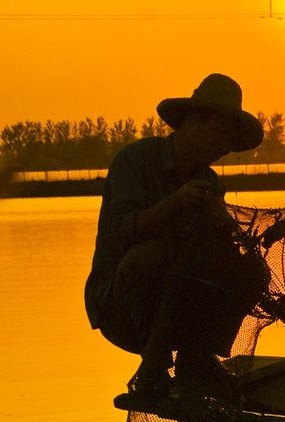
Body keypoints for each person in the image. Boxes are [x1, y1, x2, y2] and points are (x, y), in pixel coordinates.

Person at [85, 73, 267, 395]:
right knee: (154, 255)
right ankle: (154, 364)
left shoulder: (210, 183)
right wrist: (176, 204)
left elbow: (212, 253)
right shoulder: (135, 161)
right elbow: (121, 231)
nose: (225, 148)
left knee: (249, 270)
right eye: (220, 135)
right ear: (194, 122)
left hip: (177, 297)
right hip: (120, 305)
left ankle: (195, 359)